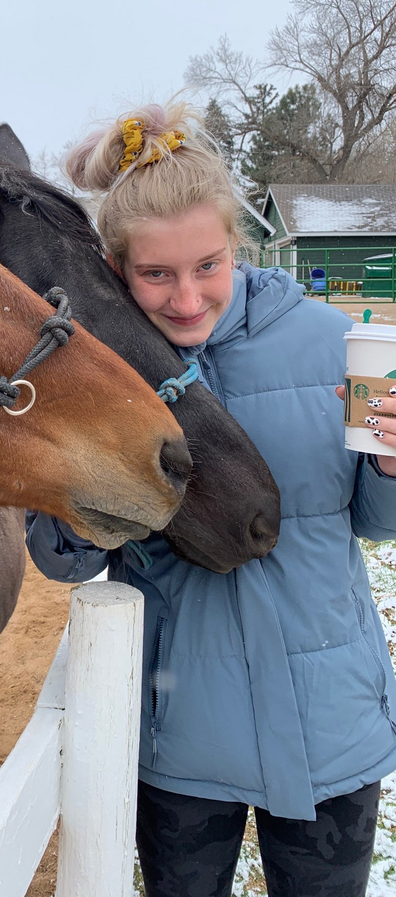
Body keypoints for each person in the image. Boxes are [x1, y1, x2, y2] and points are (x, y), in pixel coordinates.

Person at [26, 102, 396, 897]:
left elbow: (376, 522)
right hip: (179, 736)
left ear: (239, 246)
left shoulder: (334, 343)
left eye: (209, 266)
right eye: (155, 274)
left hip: (330, 720)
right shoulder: (96, 368)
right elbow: (59, 556)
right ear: (117, 269)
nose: (187, 299)